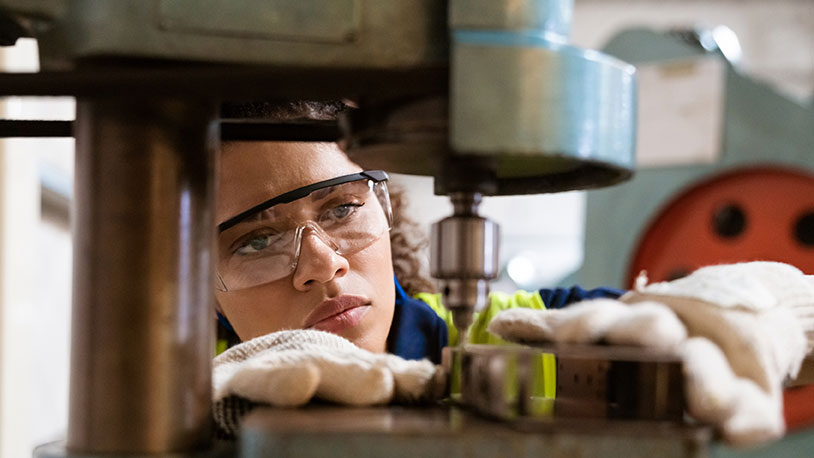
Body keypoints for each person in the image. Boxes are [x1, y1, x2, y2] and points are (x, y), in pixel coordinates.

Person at [212, 101, 624, 437]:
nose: (323, 265)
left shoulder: (511, 338)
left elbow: (663, 319)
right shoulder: (177, 392)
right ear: (199, 287)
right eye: (256, 242)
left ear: (382, 205)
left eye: (342, 209)